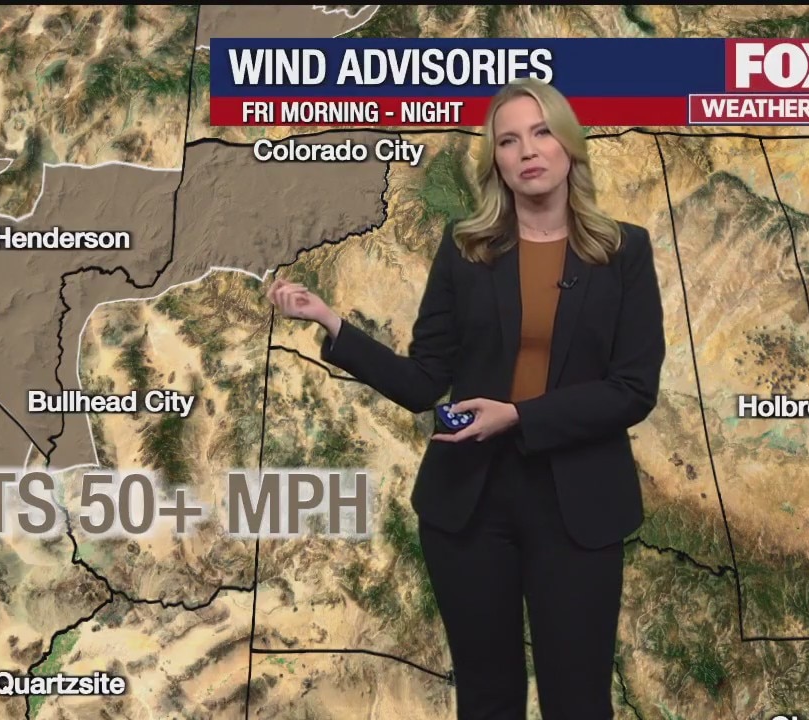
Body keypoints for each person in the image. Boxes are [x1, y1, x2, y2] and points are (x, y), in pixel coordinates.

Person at [265, 77, 666, 719]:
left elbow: (633, 389)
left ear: (568, 145)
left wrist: (518, 416)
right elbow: (425, 381)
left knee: (579, 701)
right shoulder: (465, 250)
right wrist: (331, 323)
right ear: (495, 162)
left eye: (541, 133)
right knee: (486, 699)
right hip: (471, 508)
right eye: (508, 140)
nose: (527, 150)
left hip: (580, 506)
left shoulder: (624, 251)